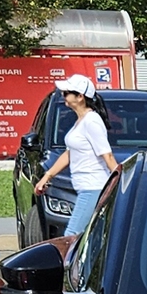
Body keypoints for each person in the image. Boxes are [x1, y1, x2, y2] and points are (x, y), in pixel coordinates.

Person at [34, 74, 117, 234]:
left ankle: (68, 261)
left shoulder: (92, 121)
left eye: (66, 93)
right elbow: (69, 153)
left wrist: (119, 183)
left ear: (80, 97)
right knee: (87, 237)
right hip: (85, 187)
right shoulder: (81, 121)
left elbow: (107, 156)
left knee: (72, 235)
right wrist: (47, 177)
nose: (63, 96)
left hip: (93, 186)